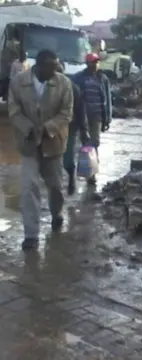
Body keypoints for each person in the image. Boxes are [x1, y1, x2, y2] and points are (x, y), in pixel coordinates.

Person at [8, 50, 73, 250]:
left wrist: (46, 128)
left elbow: (66, 113)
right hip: (29, 144)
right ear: (39, 65)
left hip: (53, 144)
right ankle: (31, 235)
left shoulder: (63, 83)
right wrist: (29, 128)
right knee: (29, 188)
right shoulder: (19, 82)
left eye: (56, 67)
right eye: (51, 67)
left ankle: (56, 213)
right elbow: (13, 110)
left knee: (55, 186)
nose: (55, 71)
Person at [72, 53, 112, 186]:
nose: (95, 65)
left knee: (94, 143)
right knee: (85, 143)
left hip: (97, 116)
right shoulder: (78, 78)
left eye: (96, 62)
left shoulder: (103, 78)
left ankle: (92, 173)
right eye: (92, 62)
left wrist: (108, 119)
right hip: (82, 116)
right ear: (87, 63)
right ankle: (86, 172)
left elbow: (107, 99)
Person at [60, 64, 90, 195]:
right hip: (49, 127)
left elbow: (81, 110)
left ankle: (71, 177)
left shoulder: (72, 88)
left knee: (67, 155)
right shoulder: (46, 87)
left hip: (69, 126)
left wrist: (84, 129)